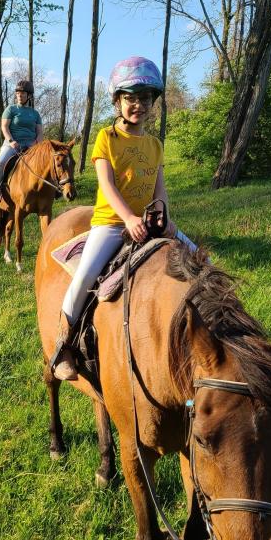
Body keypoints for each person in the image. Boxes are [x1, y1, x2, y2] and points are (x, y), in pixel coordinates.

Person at [50, 56, 195, 381]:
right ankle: (63, 346)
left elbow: (160, 190)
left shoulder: (155, 145)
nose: (138, 105)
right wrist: (128, 218)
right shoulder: (107, 139)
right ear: (117, 100)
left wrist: (165, 217)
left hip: (147, 222)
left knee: (202, 260)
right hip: (112, 224)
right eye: (130, 98)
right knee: (84, 278)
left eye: (145, 98)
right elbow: (108, 187)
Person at [0, 80, 43, 203]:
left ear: (29, 95)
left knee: (46, 162)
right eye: (18, 93)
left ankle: (53, 189)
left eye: (23, 93)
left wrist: (37, 143)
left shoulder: (35, 114)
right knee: (2, 161)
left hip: (31, 144)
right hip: (12, 144)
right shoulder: (11, 109)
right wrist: (11, 141)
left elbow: (40, 132)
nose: (19, 96)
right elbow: (4, 127)